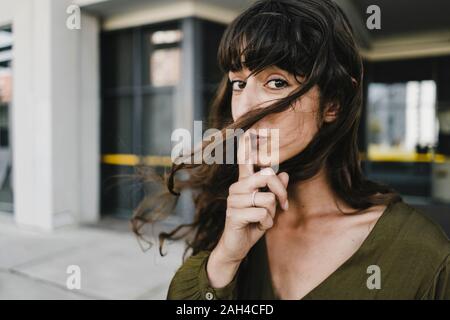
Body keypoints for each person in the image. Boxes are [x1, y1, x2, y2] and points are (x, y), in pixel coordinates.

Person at [133, 0, 450, 300]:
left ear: (333, 103)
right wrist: (225, 259)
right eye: (238, 83)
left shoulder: (420, 253)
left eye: (276, 82)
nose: (244, 108)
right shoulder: (231, 215)